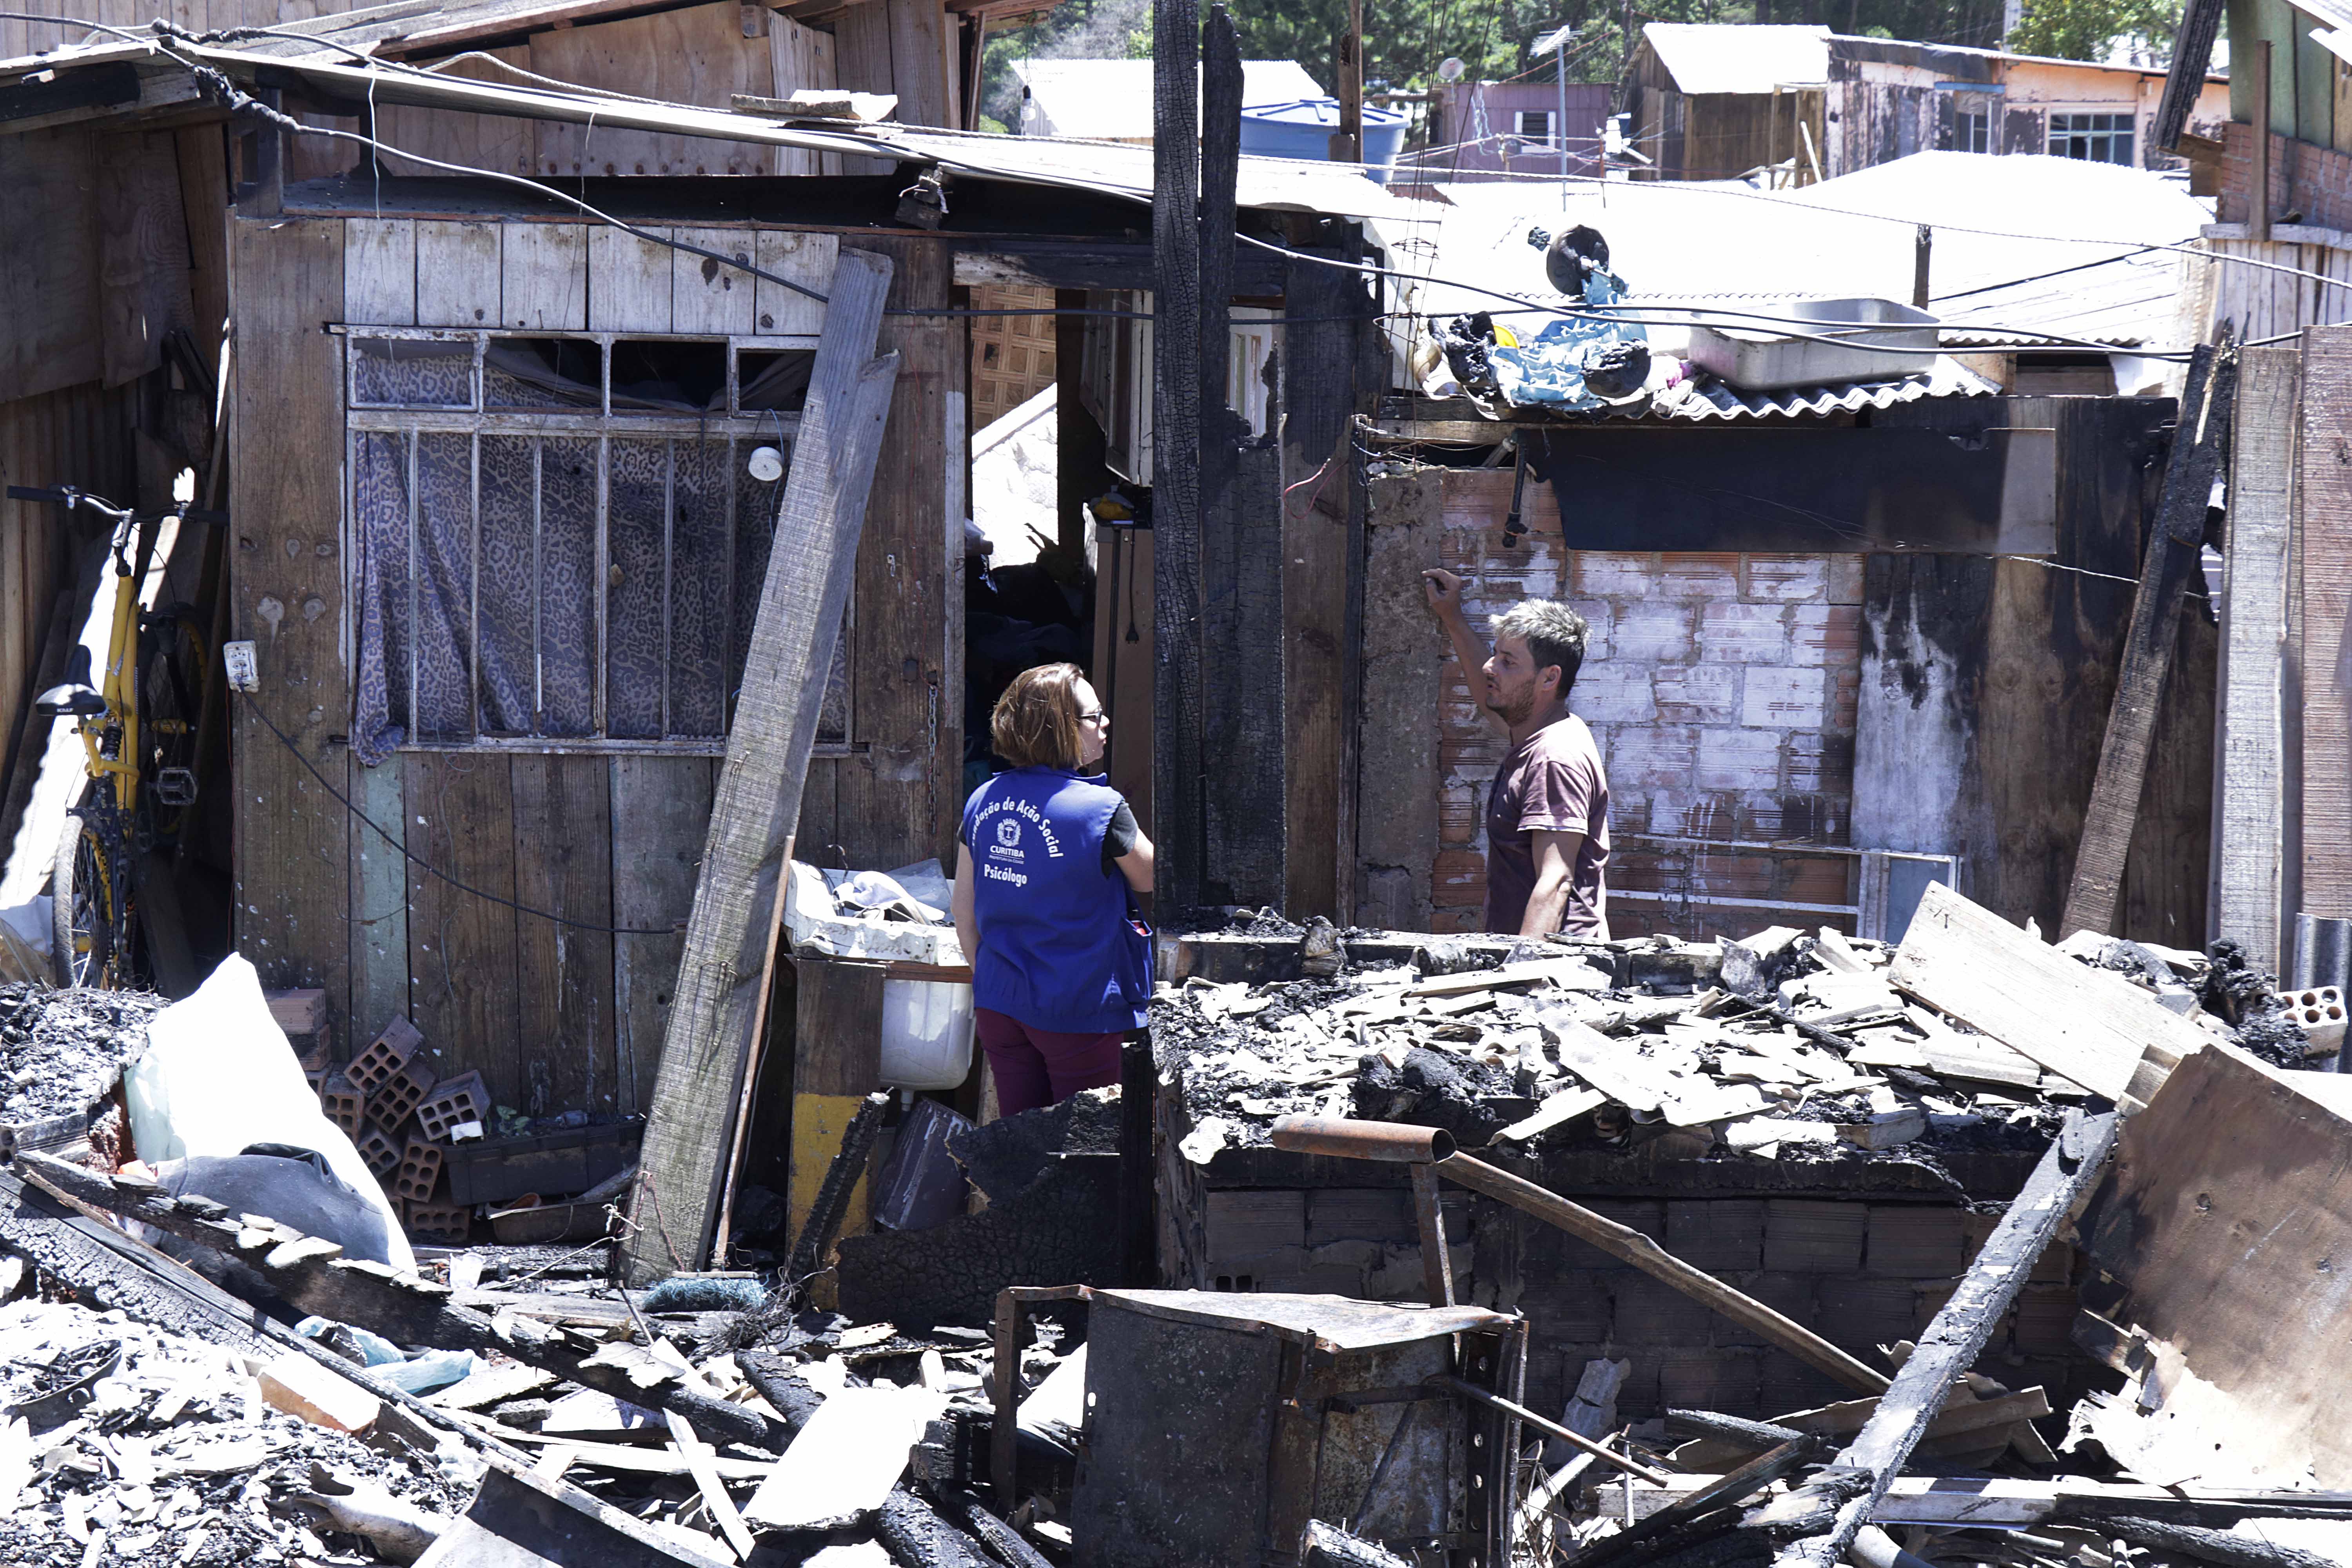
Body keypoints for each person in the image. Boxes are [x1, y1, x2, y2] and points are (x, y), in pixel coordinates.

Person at [952, 663, 1154, 1117]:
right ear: (1061, 727)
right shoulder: (1101, 807)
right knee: (1087, 1152)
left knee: (1020, 1144)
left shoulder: (983, 799)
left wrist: (993, 981)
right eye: (1093, 715)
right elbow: (1151, 876)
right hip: (1079, 1008)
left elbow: (963, 913)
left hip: (999, 1005)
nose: (1105, 723)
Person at [1422, 569, 1610, 938]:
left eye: (1508, 661)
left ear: (1549, 678)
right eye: (1496, 655)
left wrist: (1518, 979)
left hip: (1558, 972)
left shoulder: (1555, 758)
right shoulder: (1539, 731)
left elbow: (1556, 882)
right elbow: (1492, 702)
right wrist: (1453, 617)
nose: (1490, 667)